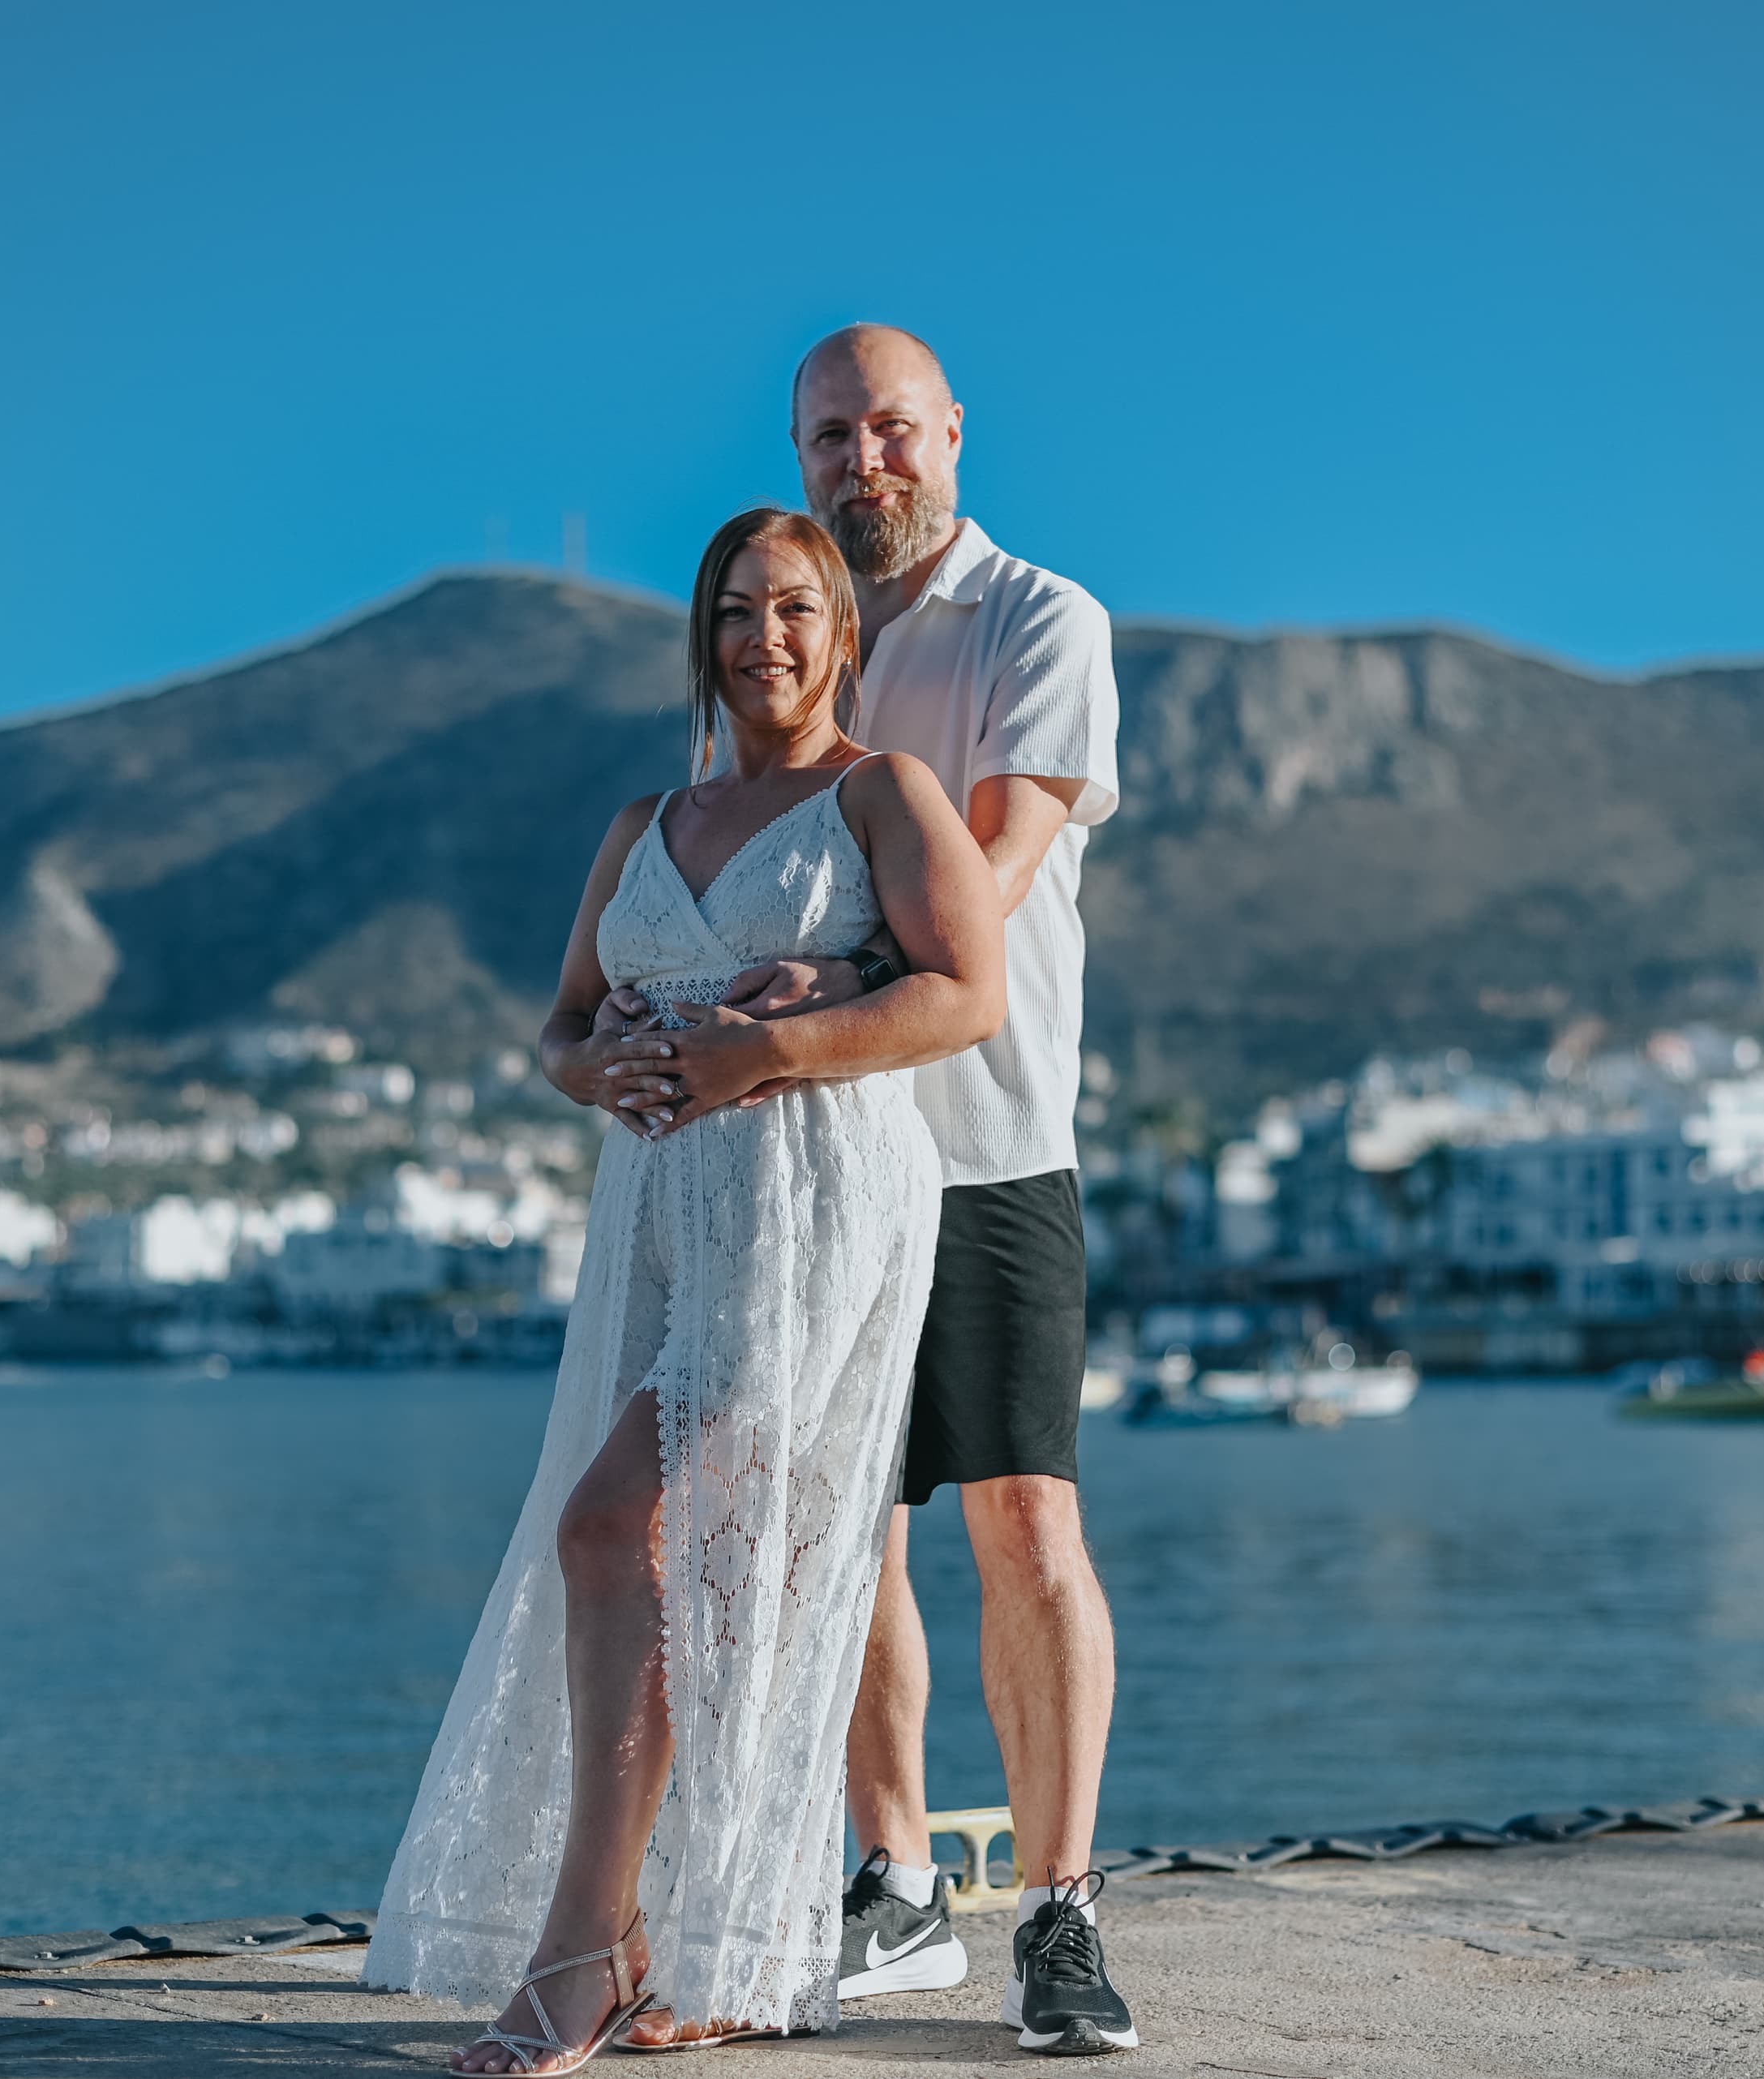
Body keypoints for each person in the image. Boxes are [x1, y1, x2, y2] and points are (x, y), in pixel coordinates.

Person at [364, 505, 1006, 2074]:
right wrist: (609, 1073)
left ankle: (584, 1947)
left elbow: (967, 994)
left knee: (622, 1529)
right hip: (657, 1216)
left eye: (796, 609)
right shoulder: (644, 820)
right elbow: (562, 1031)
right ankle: (692, 1937)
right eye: (735, 610)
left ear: (842, 632)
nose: (763, 638)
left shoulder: (881, 796)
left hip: (810, 1216)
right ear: (703, 634)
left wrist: (772, 1046)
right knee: (688, 1574)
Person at [599, 324, 1135, 2056]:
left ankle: (1056, 1909)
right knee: (843, 1528)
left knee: (1025, 1523)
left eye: (893, 429)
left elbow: (988, 872)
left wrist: (800, 1005)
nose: (865, 461)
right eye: (833, 435)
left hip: (984, 1143)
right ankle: (894, 1879)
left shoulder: (1041, 623)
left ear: (954, 435)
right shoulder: (799, 627)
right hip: (798, 1181)